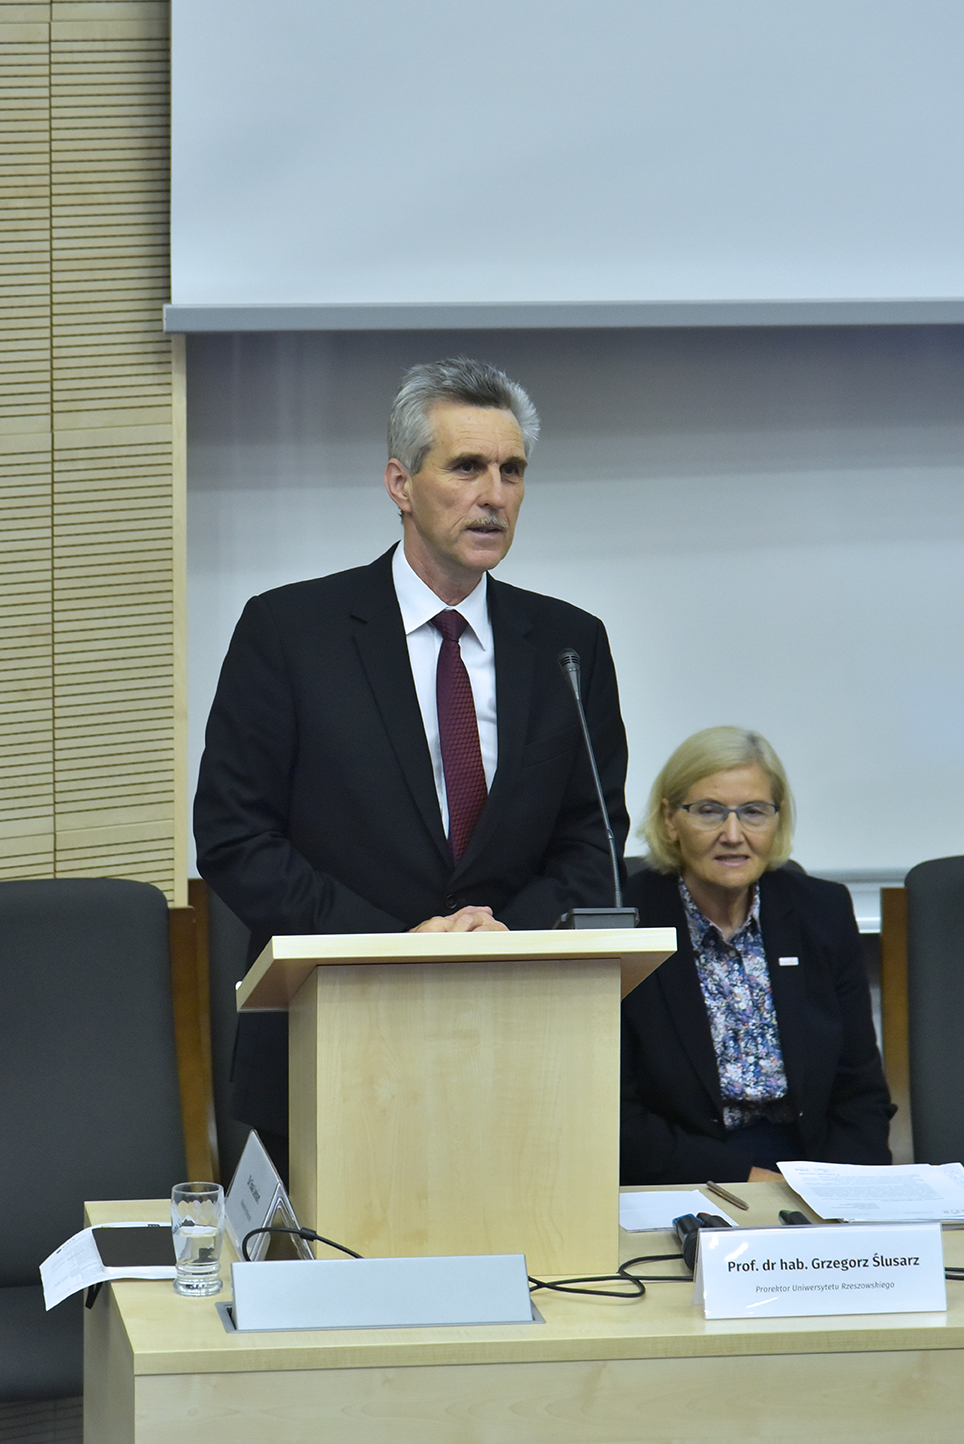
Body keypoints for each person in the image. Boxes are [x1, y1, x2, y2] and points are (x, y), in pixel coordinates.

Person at [195, 356, 629, 1160]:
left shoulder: (570, 645)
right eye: (466, 467)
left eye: (511, 471)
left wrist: (503, 931)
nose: (494, 494)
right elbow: (235, 838)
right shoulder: (291, 632)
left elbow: (593, 840)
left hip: (520, 1043)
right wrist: (400, 944)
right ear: (400, 483)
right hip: (331, 1039)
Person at [620, 726, 894, 1185]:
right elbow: (617, 1116)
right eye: (709, 811)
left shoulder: (821, 911)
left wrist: (845, 1190)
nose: (733, 834)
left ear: (776, 819)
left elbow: (859, 1092)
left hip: (813, 1167)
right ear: (669, 819)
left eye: (753, 812)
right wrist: (750, 1180)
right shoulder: (629, 920)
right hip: (684, 1174)